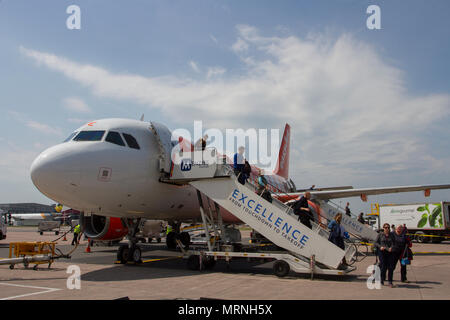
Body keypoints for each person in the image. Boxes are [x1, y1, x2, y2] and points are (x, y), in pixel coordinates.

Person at [374, 223, 396, 287]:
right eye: (386, 227)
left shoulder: (392, 235)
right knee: (383, 267)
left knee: (390, 267)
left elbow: (394, 243)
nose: (387, 229)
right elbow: (375, 242)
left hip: (390, 252)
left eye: (388, 227)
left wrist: (391, 248)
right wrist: (380, 247)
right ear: (383, 228)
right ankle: (381, 280)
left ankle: (390, 282)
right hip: (382, 252)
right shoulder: (380, 234)